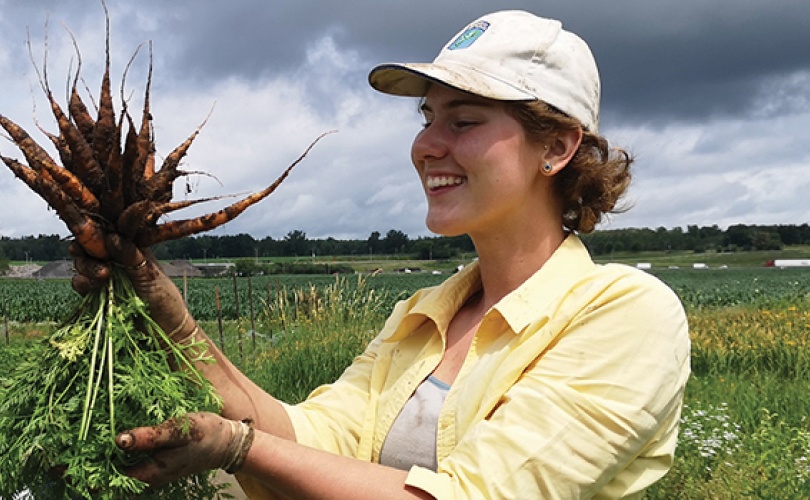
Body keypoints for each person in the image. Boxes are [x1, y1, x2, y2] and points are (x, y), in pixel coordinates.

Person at [73, 10, 690, 499]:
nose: (426, 145)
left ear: (555, 146)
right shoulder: (423, 316)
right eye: (427, 118)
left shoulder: (628, 315)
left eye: (464, 121)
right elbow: (313, 439)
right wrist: (172, 320)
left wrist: (239, 450)